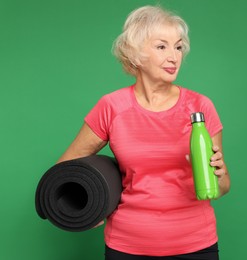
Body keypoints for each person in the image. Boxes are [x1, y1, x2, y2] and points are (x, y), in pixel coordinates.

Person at [58, 5, 230, 260]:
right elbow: (64, 169)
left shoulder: (200, 107)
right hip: (127, 246)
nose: (174, 56)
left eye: (178, 47)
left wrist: (221, 173)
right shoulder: (112, 107)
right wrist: (85, 207)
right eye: (162, 46)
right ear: (135, 54)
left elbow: (222, 187)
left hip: (195, 245)